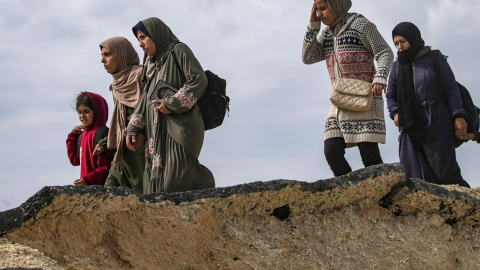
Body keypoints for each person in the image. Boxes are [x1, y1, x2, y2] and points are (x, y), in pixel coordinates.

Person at [302, 0, 394, 176]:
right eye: (317, 9)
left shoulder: (360, 25)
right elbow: (308, 57)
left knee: (369, 157)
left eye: (323, 8)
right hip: (339, 101)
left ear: (337, 4)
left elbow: (385, 52)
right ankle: (350, 192)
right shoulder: (327, 34)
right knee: (332, 152)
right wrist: (314, 25)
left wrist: (380, 77)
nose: (320, 13)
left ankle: (385, 197)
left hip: (364, 99)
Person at [126, 17, 215, 194]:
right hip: (156, 131)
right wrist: (134, 127)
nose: (141, 44)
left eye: (143, 37)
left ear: (156, 34)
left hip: (180, 127)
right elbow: (145, 97)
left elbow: (198, 79)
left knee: (176, 178)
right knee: (155, 186)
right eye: (138, 40)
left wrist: (171, 104)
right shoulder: (151, 65)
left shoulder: (178, 50)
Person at [386, 22, 470, 187]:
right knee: (416, 176)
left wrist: (459, 116)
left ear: (413, 38)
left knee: (446, 173)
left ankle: (470, 207)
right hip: (410, 128)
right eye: (396, 43)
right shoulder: (397, 66)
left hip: (438, 124)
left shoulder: (434, 58)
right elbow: (390, 95)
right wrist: (395, 113)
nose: (399, 46)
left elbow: (451, 88)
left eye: (402, 41)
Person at [95, 37, 145, 194]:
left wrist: (142, 131)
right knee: (108, 195)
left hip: (142, 152)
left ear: (121, 54)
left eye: (108, 54)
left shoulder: (141, 75)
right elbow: (120, 120)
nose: (103, 60)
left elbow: (151, 109)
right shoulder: (116, 85)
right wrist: (104, 142)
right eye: (102, 55)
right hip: (123, 155)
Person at [66, 92, 113, 186]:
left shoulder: (104, 134)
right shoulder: (82, 136)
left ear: (97, 112)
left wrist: (87, 180)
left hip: (103, 190)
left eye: (87, 112)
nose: (82, 116)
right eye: (79, 112)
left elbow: (107, 168)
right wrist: (72, 136)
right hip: (88, 189)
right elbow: (74, 160)